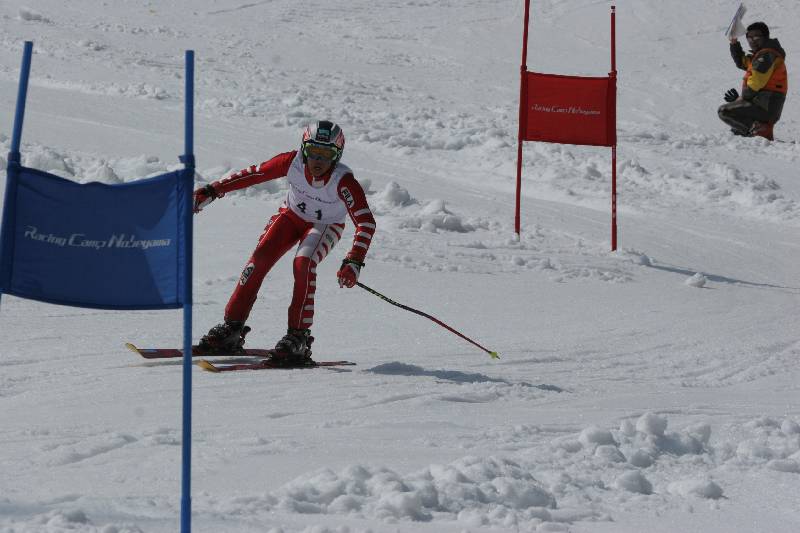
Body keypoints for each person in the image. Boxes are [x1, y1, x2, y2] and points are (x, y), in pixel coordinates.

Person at [192, 121, 376, 365]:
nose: (318, 161)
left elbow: (366, 222)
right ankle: (231, 328)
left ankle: (298, 338)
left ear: (337, 155)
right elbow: (253, 174)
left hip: (325, 226)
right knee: (257, 262)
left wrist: (354, 261)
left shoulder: (343, 181)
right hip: (291, 216)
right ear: (303, 149)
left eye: (327, 154)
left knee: (303, 263)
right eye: (313, 152)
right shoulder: (291, 162)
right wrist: (213, 190)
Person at [718, 22, 787, 141]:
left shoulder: (767, 55)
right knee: (736, 128)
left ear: (765, 37)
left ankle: (760, 130)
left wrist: (741, 99)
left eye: (756, 37)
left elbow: (755, 83)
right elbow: (742, 62)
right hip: (764, 104)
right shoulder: (761, 55)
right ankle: (758, 132)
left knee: (724, 111)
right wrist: (734, 42)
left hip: (766, 105)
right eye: (749, 38)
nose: (752, 41)